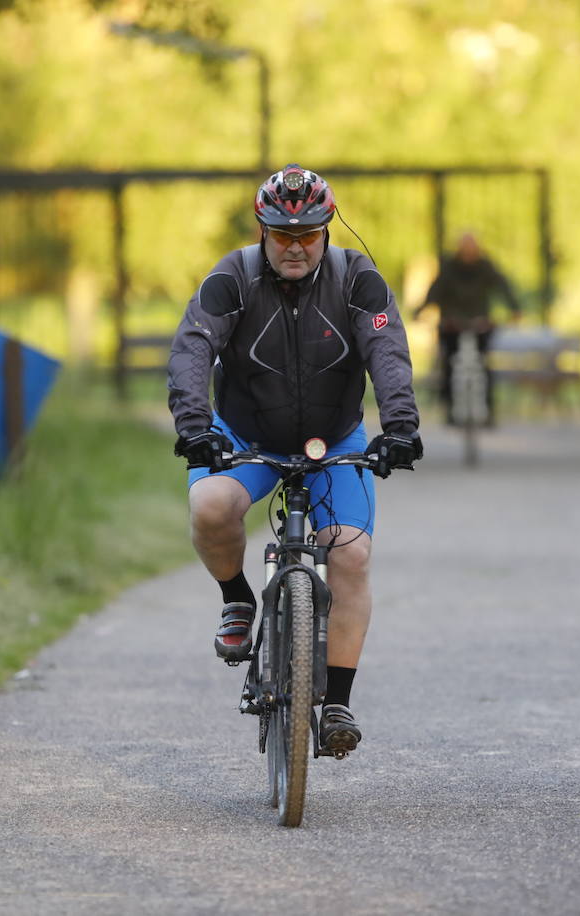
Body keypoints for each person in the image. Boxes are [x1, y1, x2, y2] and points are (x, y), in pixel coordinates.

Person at [167, 164, 423, 755]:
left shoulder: (358, 279)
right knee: (210, 504)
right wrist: (194, 427)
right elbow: (191, 349)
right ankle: (237, 599)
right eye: (282, 235)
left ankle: (336, 701)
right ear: (262, 230)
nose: (295, 246)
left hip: (334, 438)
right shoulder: (231, 278)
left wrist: (401, 428)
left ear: (327, 228)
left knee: (351, 552)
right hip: (245, 430)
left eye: (307, 234)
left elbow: (387, 350)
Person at [414, 232, 521, 425]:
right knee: (448, 361)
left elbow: (502, 285)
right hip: (453, 323)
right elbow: (435, 290)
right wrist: (421, 310)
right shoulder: (449, 267)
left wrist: (514, 307)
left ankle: (487, 409)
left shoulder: (485, 266)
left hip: (479, 321)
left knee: (484, 362)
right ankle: (450, 406)